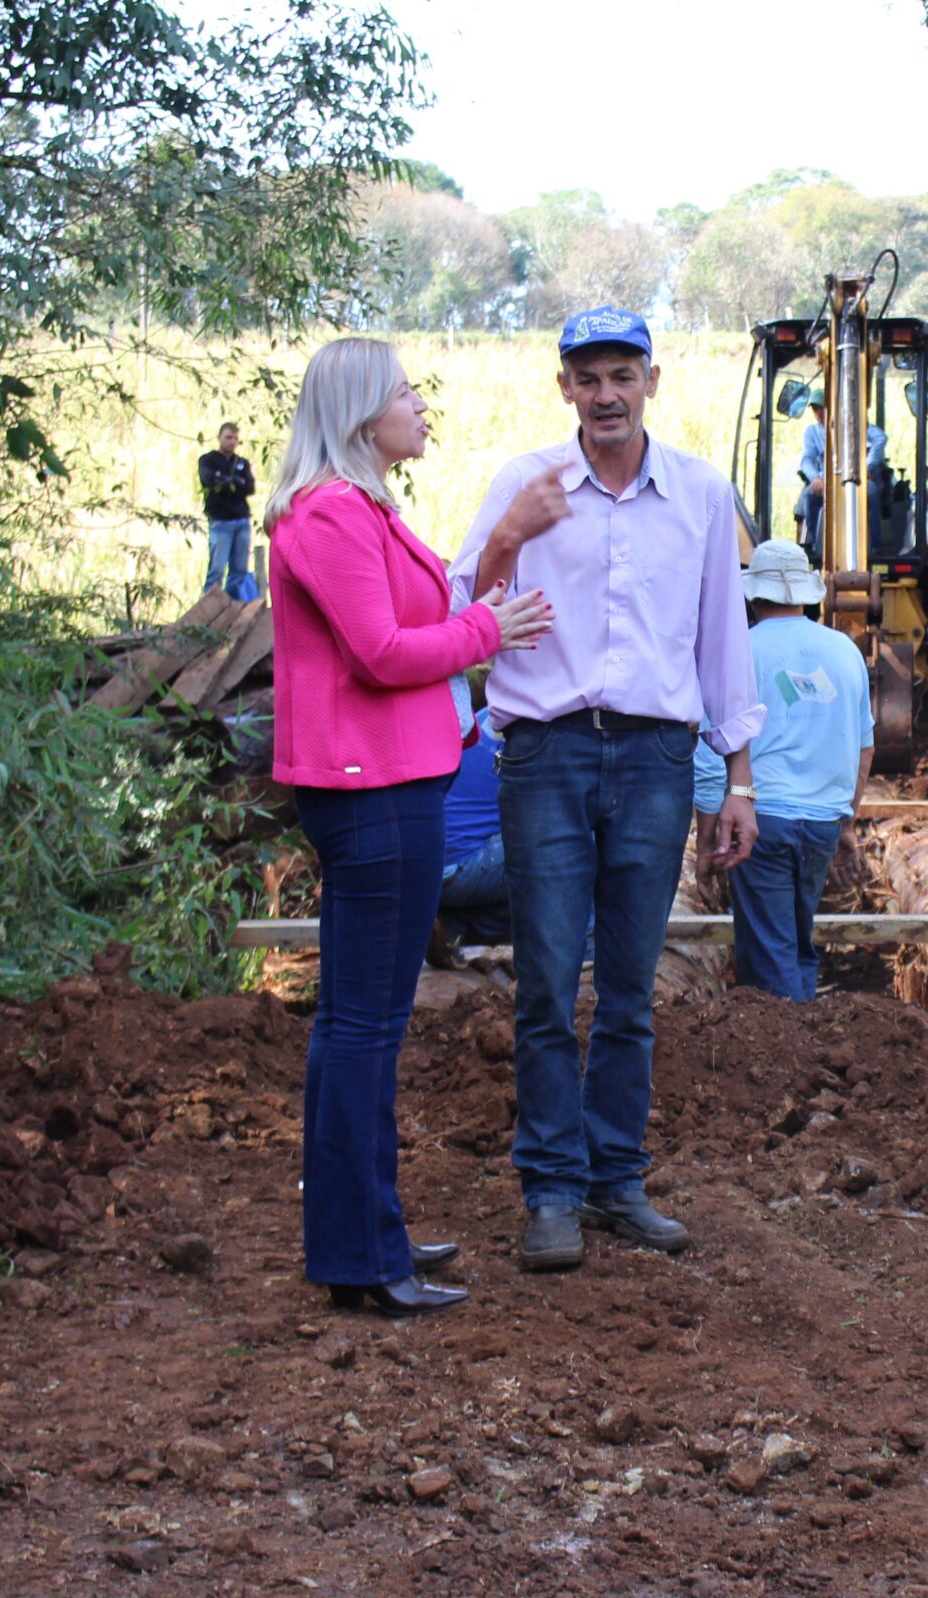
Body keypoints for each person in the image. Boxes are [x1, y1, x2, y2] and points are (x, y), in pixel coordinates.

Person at [448, 305, 765, 1274]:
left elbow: (721, 635)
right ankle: (549, 1189)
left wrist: (738, 778)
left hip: (655, 759)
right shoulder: (526, 484)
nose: (605, 395)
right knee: (545, 981)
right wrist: (509, 535)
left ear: (652, 383)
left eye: (621, 375)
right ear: (564, 390)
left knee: (627, 986)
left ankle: (616, 1180)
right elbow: (462, 604)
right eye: (586, 378)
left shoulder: (702, 495)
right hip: (546, 754)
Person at [263, 337, 553, 1318]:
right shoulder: (336, 515)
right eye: (405, 392)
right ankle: (361, 1253)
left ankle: (366, 1229)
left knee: (359, 1026)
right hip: (374, 792)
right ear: (358, 416)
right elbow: (384, 652)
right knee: (364, 1027)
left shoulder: (357, 510)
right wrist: (487, 635)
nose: (423, 405)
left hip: (384, 784)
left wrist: (480, 608)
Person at [693, 539, 874, 1000]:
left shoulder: (739, 651)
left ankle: (787, 1053)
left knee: (770, 953)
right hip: (822, 823)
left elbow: (714, 752)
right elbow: (864, 748)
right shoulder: (845, 651)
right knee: (796, 939)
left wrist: (708, 840)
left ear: (753, 595)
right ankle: (807, 1036)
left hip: (761, 820)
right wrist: (845, 820)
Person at [433, 671, 510, 952]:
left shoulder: (477, 721)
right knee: (580, 840)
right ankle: (588, 950)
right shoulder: (529, 735)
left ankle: (457, 923)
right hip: (468, 866)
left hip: (432, 870)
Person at [792, 383, 887, 555]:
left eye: (822, 407)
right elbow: (806, 460)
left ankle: (876, 547)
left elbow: (880, 437)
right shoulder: (812, 432)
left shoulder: (853, 425)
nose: (819, 413)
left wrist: (867, 465)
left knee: (872, 493)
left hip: (857, 480)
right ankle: (815, 548)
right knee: (809, 496)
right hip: (827, 481)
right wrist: (815, 478)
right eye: (815, 409)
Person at [199, 422, 260, 601]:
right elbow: (210, 482)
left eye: (235, 439)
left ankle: (231, 608)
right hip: (220, 521)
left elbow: (249, 487)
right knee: (217, 569)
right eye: (228, 437)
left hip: (241, 520)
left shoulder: (241, 463)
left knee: (239, 569)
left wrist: (228, 481)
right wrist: (232, 482)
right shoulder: (208, 460)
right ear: (219, 437)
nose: (232, 442)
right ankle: (208, 610)